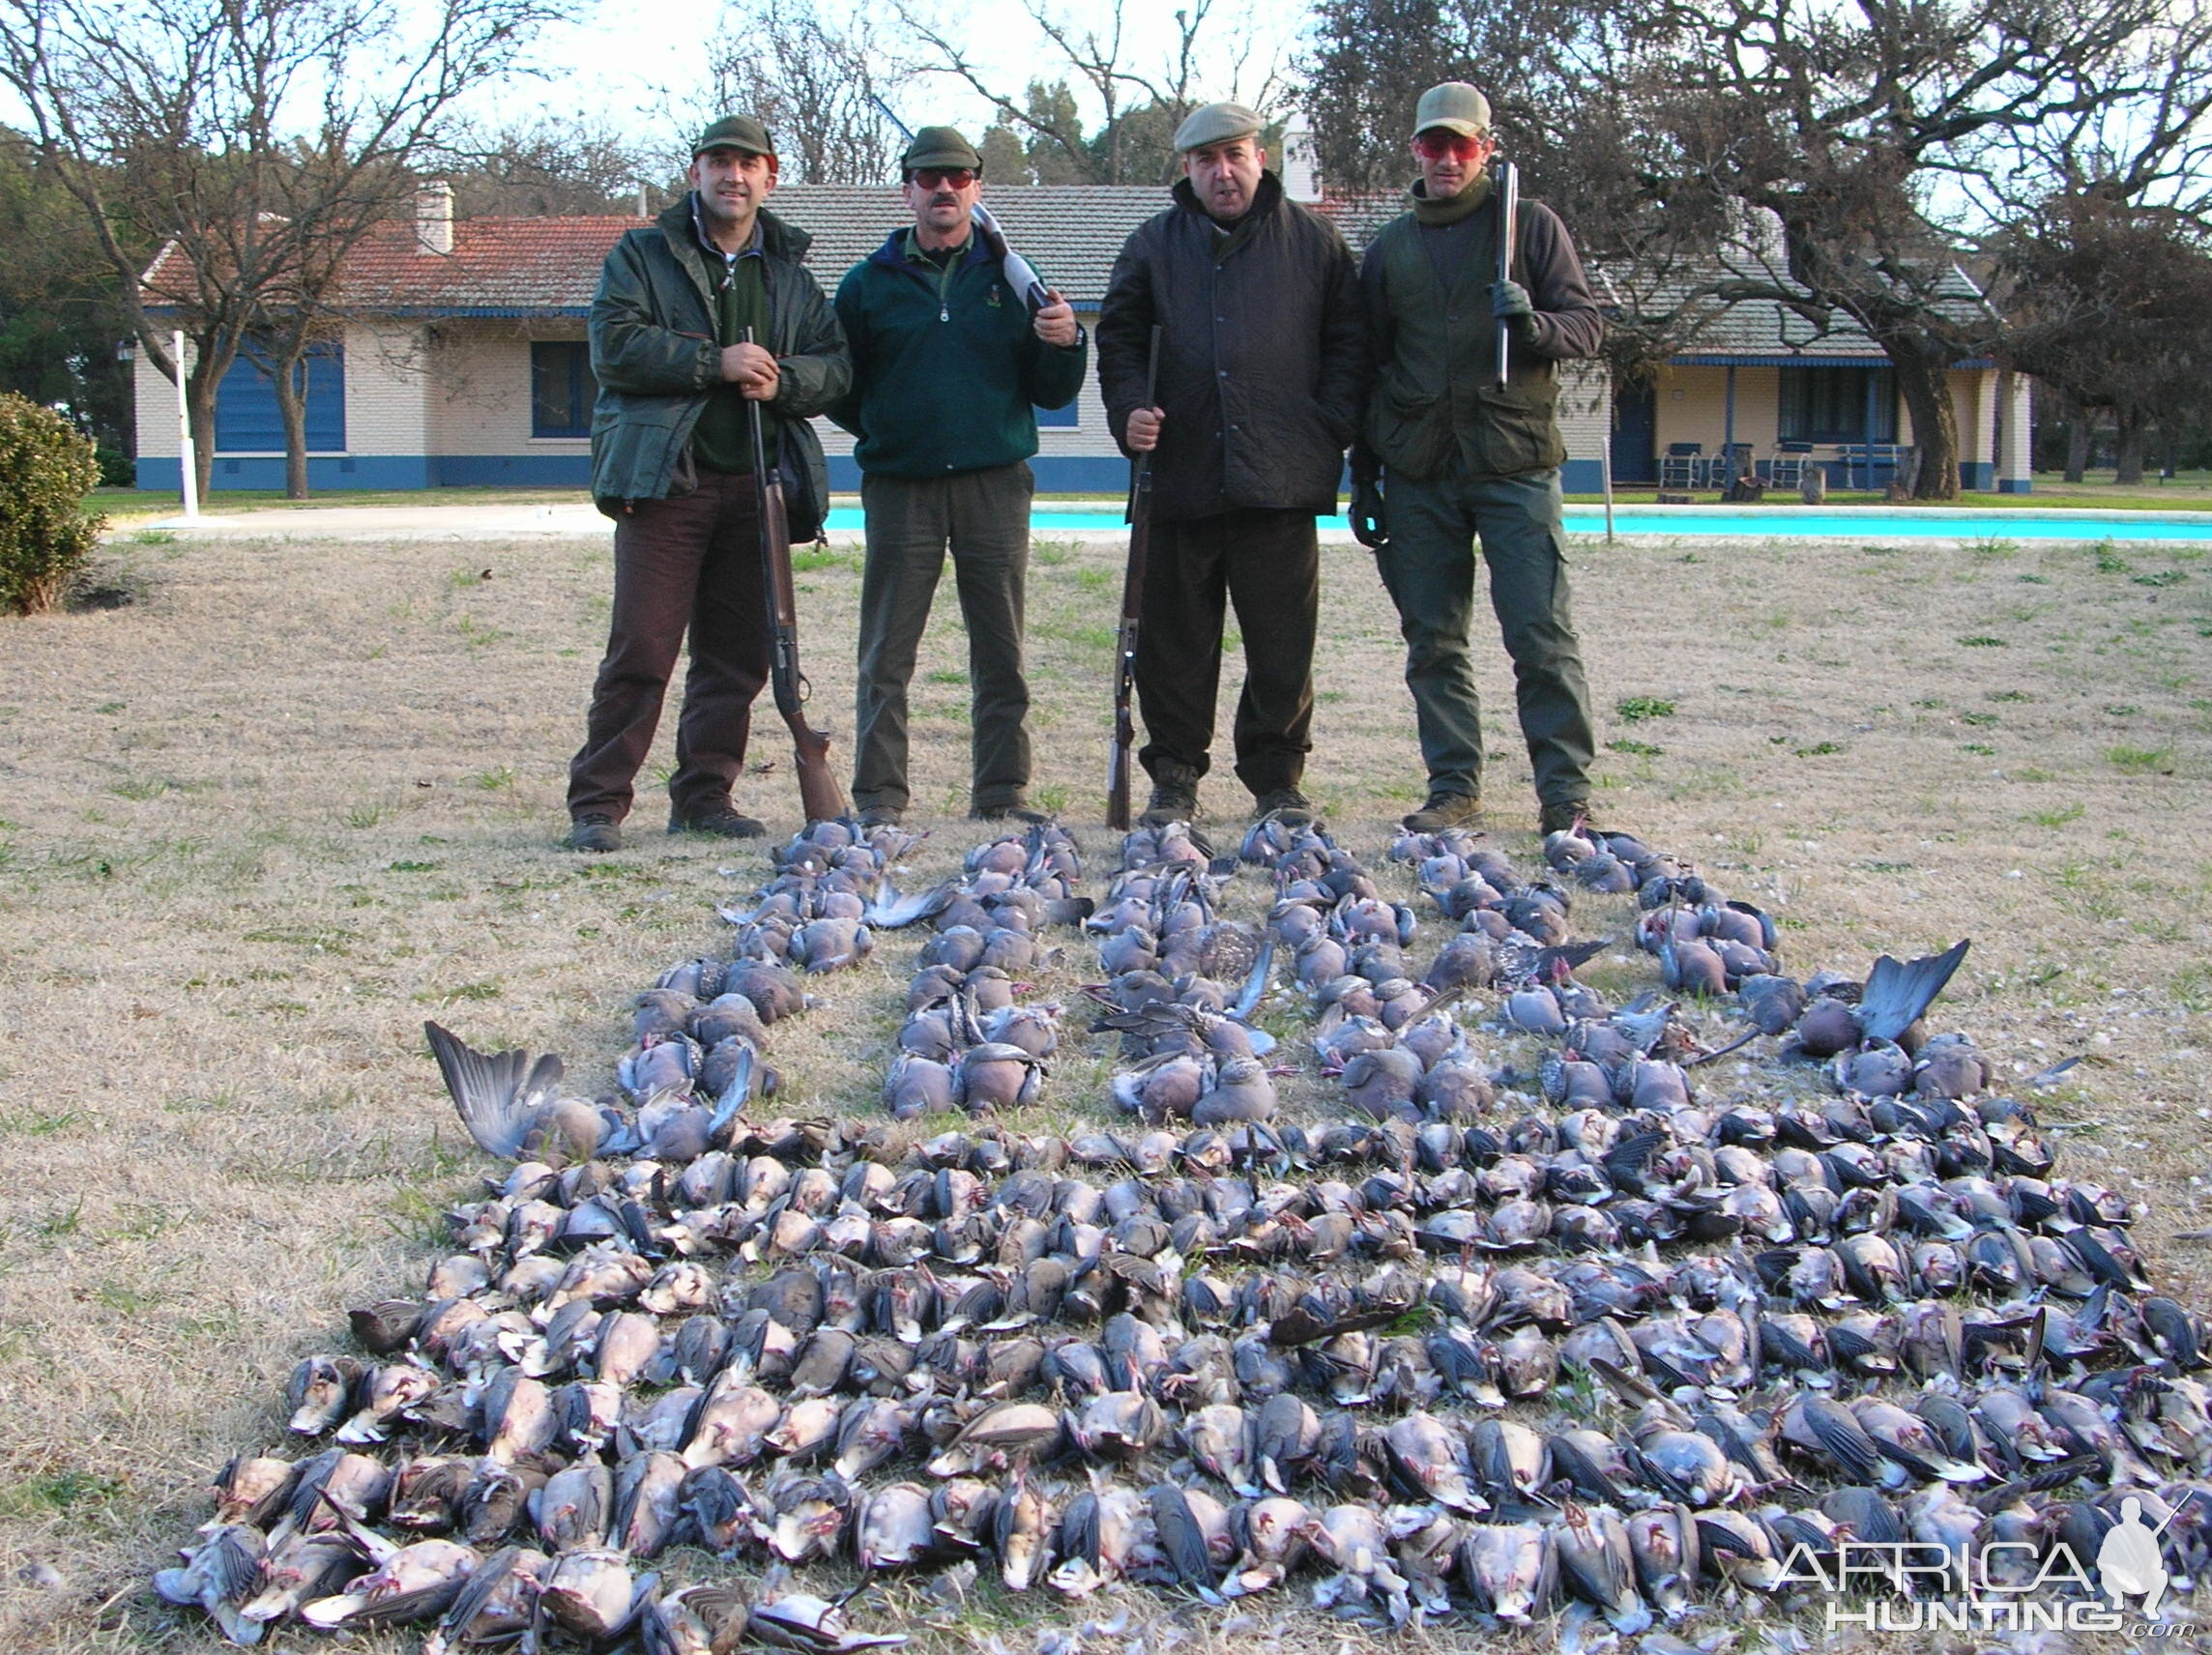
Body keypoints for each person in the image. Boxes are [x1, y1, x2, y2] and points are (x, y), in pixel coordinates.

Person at [564, 114, 851, 852]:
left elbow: (836, 368)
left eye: (747, 164)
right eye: (718, 162)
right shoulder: (642, 254)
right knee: (642, 651)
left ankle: (704, 797)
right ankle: (598, 804)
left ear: (770, 177)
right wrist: (714, 363)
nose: (733, 176)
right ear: (695, 173)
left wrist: (781, 379)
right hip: (665, 484)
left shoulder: (789, 272)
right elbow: (614, 347)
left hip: (758, 485)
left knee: (738, 659)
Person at [1096, 101, 1367, 827]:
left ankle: (1277, 779)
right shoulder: (1151, 245)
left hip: (1281, 480)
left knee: (1282, 647)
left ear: (1261, 158)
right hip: (1178, 477)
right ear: (1186, 168)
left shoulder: (1315, 244)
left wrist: (1329, 426)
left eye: (1236, 155)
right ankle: (1176, 774)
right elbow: (1118, 342)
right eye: (1207, 160)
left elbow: (1350, 343)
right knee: (1173, 647)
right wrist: (1129, 412)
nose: (1224, 172)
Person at [1353, 81, 1606, 835]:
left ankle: (1565, 795)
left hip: (1514, 465)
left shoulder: (1528, 227)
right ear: (1416, 152)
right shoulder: (1391, 249)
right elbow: (1368, 366)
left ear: (1486, 150)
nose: (1448, 158)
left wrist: (1535, 326)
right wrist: (1363, 475)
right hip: (1418, 470)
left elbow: (1588, 326)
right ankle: (1453, 787)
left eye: (1463, 145)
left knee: (1541, 635)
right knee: (1433, 640)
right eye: (1435, 144)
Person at [829, 126, 1088, 828]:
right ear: (907, 188)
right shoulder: (867, 283)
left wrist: (1069, 341)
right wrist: (890, 432)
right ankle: (881, 798)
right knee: (887, 652)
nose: (944, 188)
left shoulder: (1012, 275)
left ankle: (1002, 792)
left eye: (959, 176)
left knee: (1000, 650)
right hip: (901, 488)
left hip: (994, 485)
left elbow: (1054, 389)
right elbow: (839, 383)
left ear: (978, 186)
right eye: (929, 176)